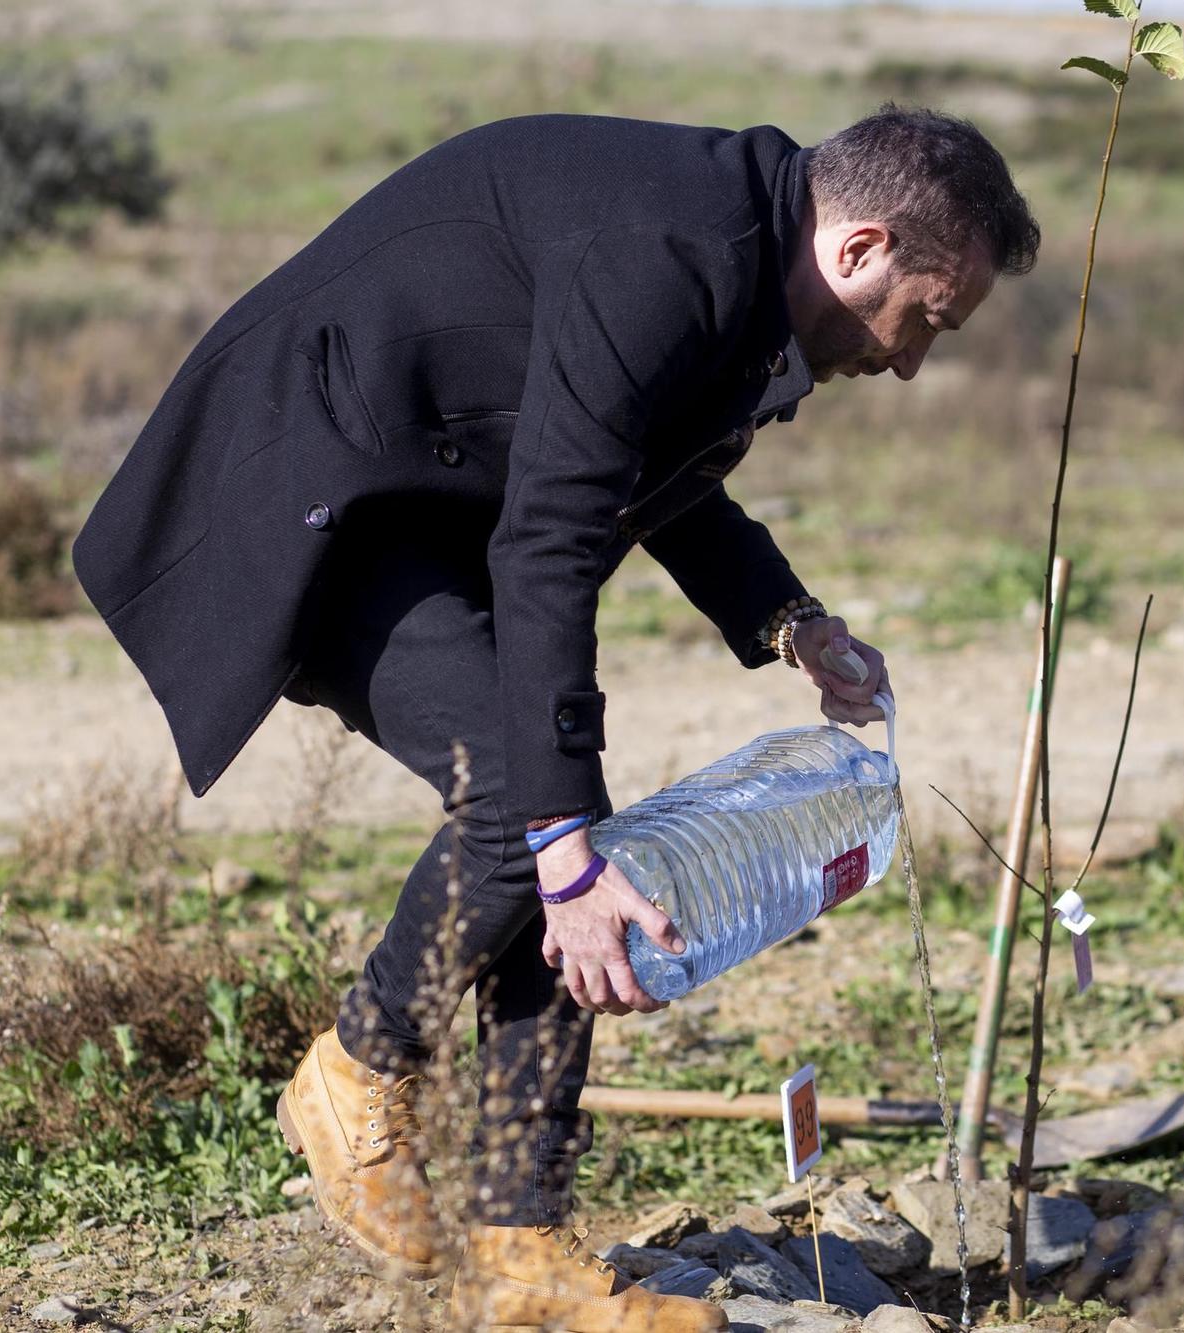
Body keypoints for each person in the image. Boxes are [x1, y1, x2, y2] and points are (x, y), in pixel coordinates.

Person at [73, 105, 1038, 1329]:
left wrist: (788, 618)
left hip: (427, 497)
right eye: (925, 322)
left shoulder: (739, 267)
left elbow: (656, 474)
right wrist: (561, 837)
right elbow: (552, 535)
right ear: (859, 249)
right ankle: (357, 1068)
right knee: (530, 810)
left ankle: (522, 1245)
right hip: (317, 490)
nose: (909, 362)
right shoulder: (672, 254)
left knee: (560, 827)